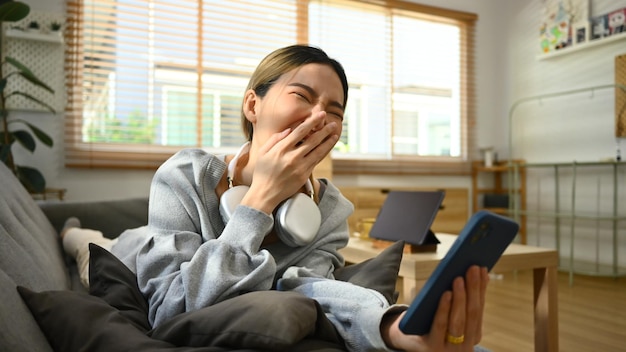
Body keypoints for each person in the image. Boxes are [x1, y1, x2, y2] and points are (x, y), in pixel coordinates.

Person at [61, 44, 490, 352]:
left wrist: (393, 326)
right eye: (302, 96)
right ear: (253, 105)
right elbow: (171, 309)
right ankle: (76, 236)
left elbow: (310, 288)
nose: (321, 116)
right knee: (93, 246)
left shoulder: (331, 211)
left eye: (335, 111)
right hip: (131, 252)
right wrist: (261, 199)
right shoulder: (185, 175)